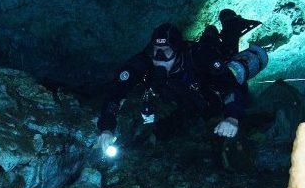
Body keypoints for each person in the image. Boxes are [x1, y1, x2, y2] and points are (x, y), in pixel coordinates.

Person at [96, 17, 263, 151]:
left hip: (206, 84)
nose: (159, 59)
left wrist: (232, 117)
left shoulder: (199, 57)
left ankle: (230, 27)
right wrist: (106, 128)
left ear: (177, 51)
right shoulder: (143, 62)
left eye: (166, 52)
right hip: (179, 94)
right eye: (156, 52)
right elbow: (115, 93)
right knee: (185, 112)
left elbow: (230, 86)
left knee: (226, 57)